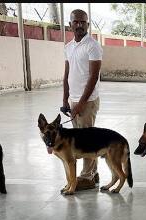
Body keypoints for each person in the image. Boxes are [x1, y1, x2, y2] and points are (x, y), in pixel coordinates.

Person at [63, 9, 103, 190]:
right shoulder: (68, 46)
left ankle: (87, 177)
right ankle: (92, 173)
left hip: (87, 102)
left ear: (87, 24)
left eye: (82, 22)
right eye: (75, 22)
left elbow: (93, 77)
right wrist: (66, 100)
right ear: (70, 24)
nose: (79, 25)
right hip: (74, 100)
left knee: (87, 141)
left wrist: (81, 104)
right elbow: (67, 75)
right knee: (80, 141)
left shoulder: (92, 45)